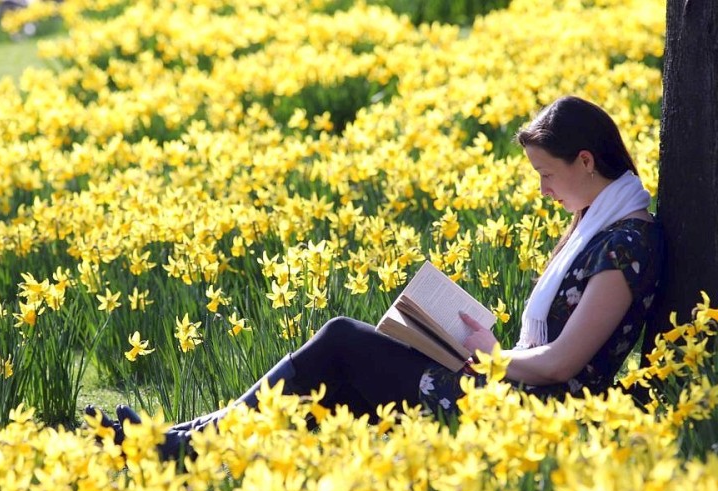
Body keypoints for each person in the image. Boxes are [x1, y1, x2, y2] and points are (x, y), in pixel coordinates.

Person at [86, 95, 664, 461]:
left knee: (342, 340)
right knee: (344, 375)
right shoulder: (599, 227)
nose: (542, 189)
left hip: (533, 417)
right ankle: (186, 440)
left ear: (586, 161)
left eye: (547, 174)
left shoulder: (627, 246)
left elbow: (564, 364)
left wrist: (490, 359)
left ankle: (187, 446)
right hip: (515, 393)